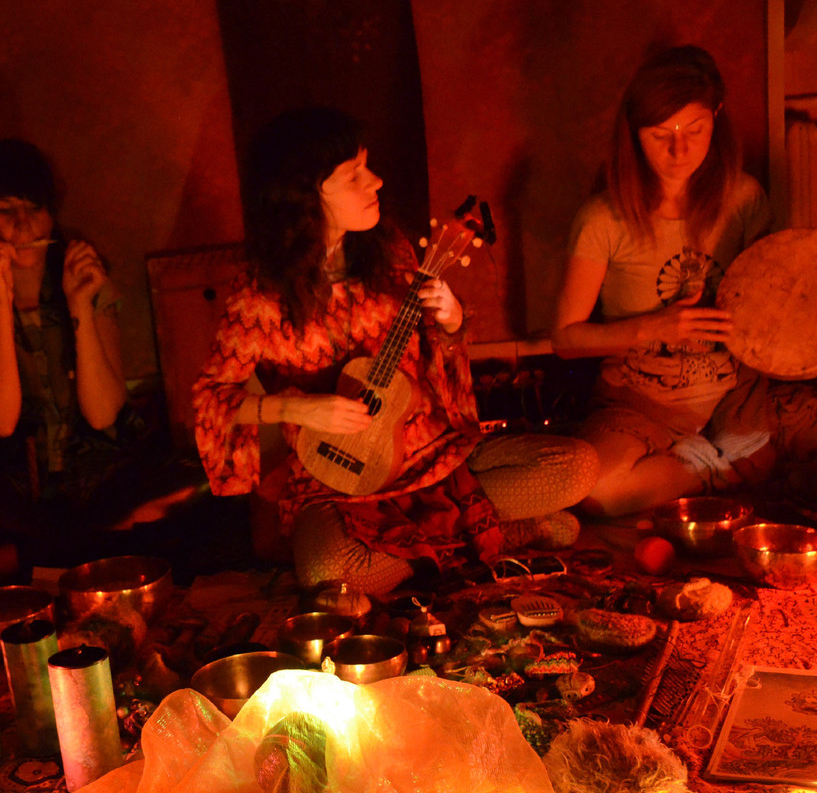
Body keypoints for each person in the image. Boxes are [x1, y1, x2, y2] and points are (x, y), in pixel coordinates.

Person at [193, 107, 598, 596]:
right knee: (330, 575)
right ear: (302, 196)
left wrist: (452, 320)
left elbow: (436, 356)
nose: (376, 181)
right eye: (353, 175)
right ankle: (491, 535)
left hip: (432, 461)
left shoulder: (391, 252)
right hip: (337, 481)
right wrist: (297, 407)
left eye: (368, 166)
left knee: (578, 466)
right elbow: (213, 399)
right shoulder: (257, 300)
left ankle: (447, 541)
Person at [551, 45, 817, 517]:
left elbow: (772, 304)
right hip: (644, 406)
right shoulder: (602, 219)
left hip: (747, 401)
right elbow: (566, 339)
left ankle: (744, 455)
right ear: (633, 132)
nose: (679, 150)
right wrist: (654, 327)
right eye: (660, 134)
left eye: (695, 130)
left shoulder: (743, 198)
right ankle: (723, 467)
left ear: (716, 116)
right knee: (597, 492)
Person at [0, 140, 182, 566]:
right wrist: (0, 305)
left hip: (96, 482)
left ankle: (24, 557)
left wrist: (80, 305)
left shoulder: (84, 276)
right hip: (7, 489)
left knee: (191, 484)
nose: (24, 225)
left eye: (35, 208)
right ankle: (68, 549)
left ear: (51, 214)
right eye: (6, 210)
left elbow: (103, 413)